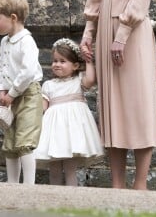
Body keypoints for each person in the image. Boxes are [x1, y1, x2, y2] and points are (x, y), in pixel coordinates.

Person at [80, 0, 156, 190]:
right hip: (105, 23)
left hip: (131, 29)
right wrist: (89, 29)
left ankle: (140, 185)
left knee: (138, 104)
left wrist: (122, 35)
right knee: (111, 104)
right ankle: (117, 186)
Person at [0, 0, 43, 184]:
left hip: (28, 95)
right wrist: (2, 89)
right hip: (12, 95)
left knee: (25, 141)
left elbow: (27, 72)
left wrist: (12, 92)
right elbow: (2, 68)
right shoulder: (5, 41)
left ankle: (28, 186)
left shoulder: (27, 41)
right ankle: (12, 186)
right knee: (10, 143)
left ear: (13, 17)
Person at [35, 38, 104, 186]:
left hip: (73, 131)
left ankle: (71, 198)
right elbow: (43, 108)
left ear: (75, 65)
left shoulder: (78, 81)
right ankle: (54, 198)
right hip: (54, 131)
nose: (57, 64)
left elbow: (91, 79)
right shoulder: (48, 85)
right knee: (54, 168)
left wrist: (89, 60)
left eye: (62, 61)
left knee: (70, 168)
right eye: (55, 61)